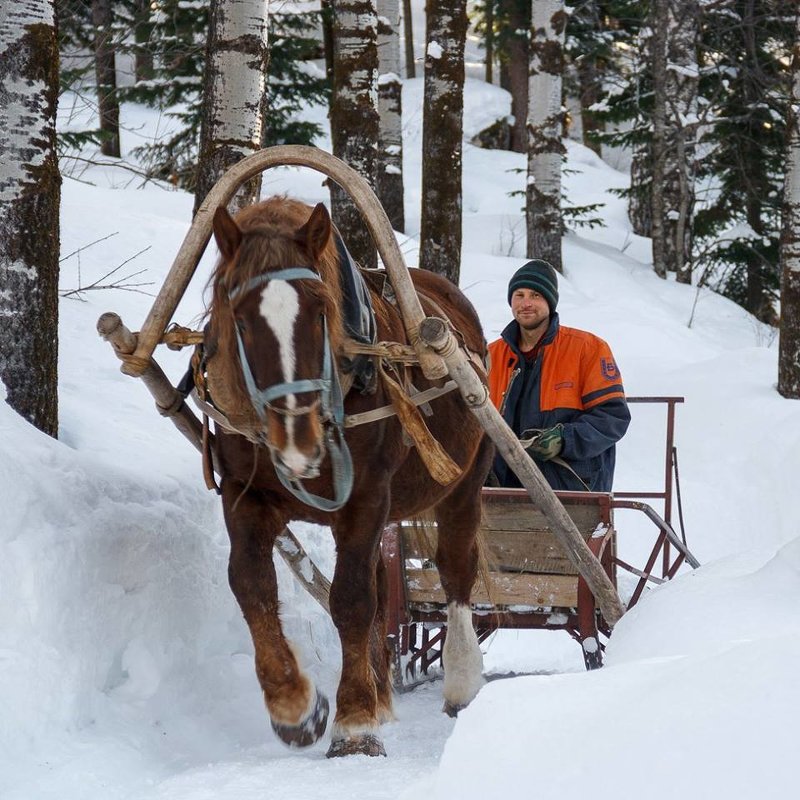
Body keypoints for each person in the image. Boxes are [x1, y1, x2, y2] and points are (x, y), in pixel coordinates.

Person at [487, 259, 630, 492]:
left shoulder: (587, 348)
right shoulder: (491, 356)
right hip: (503, 489)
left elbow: (612, 418)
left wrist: (565, 439)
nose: (526, 303)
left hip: (570, 487)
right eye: (519, 295)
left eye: (535, 295)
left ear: (550, 301)